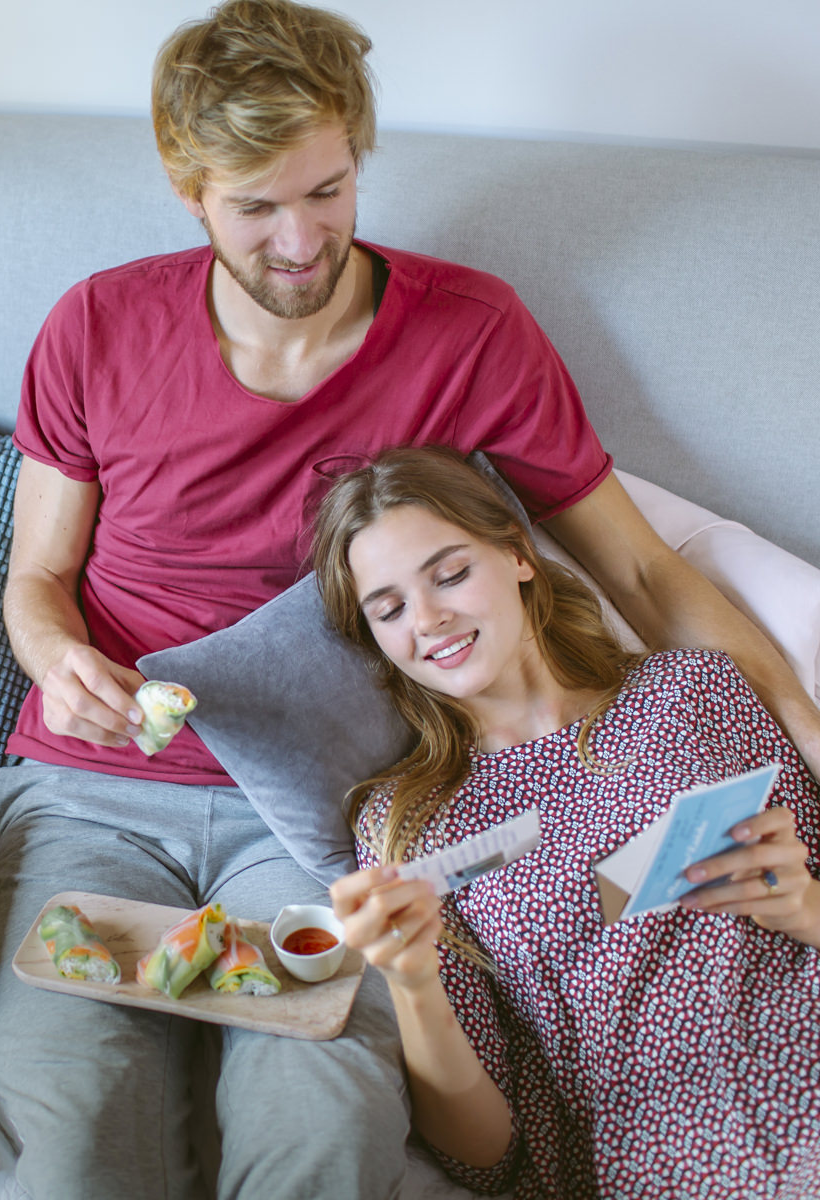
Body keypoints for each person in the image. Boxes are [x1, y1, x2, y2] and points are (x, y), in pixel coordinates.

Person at [0, 2, 820, 1196]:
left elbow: (642, 570)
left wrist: (809, 732)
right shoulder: (95, 327)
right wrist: (58, 661)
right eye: (255, 206)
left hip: (301, 823)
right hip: (95, 794)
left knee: (319, 1126)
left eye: (327, 192)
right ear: (189, 188)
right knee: (71, 1140)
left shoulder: (468, 333)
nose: (298, 242)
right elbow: (36, 582)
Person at [314, 445, 820, 1199]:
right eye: (388, 609)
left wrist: (805, 906)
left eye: (450, 574)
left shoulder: (692, 691)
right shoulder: (409, 825)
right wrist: (414, 981)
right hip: (662, 1151)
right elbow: (482, 1157)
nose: (429, 619)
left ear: (520, 555)